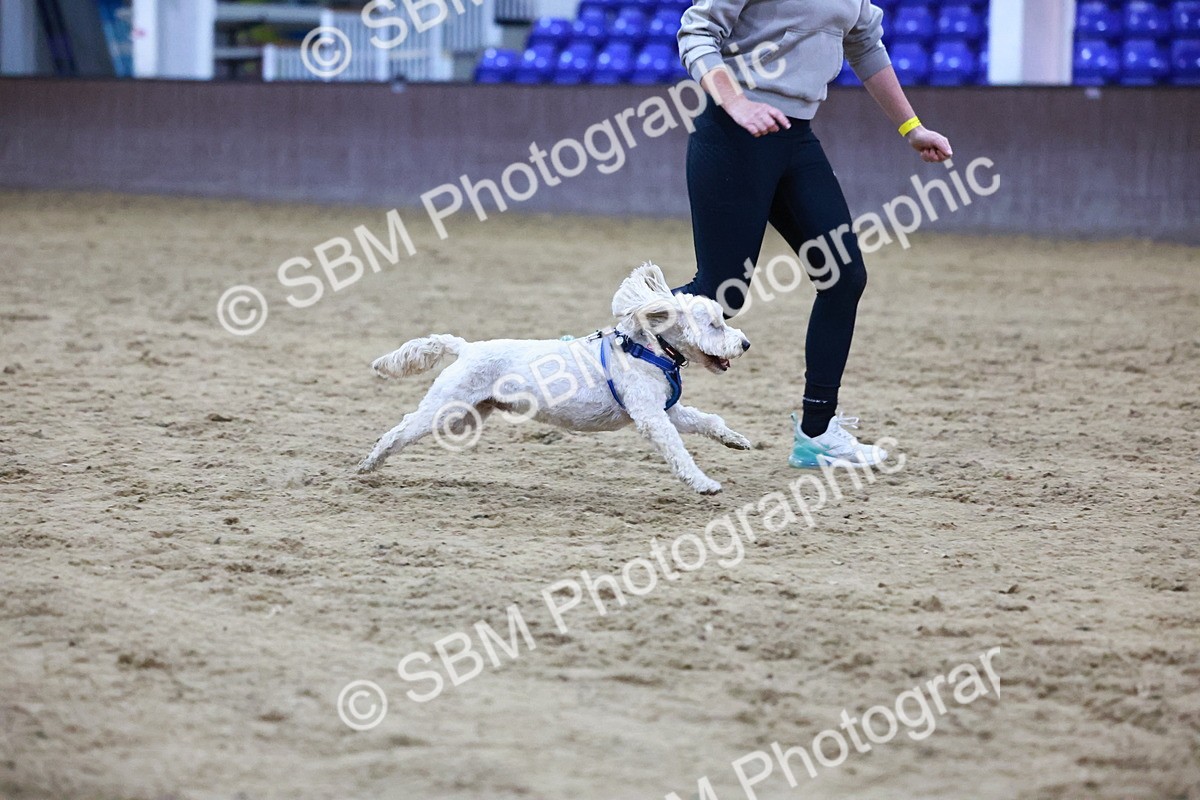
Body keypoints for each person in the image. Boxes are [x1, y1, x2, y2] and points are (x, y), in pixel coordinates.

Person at [673, 0, 953, 468]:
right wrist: (736, 102)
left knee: (844, 276)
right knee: (720, 295)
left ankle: (817, 434)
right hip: (732, 132)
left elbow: (865, 44)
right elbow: (696, 33)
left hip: (795, 137)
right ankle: (602, 349)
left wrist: (911, 127)